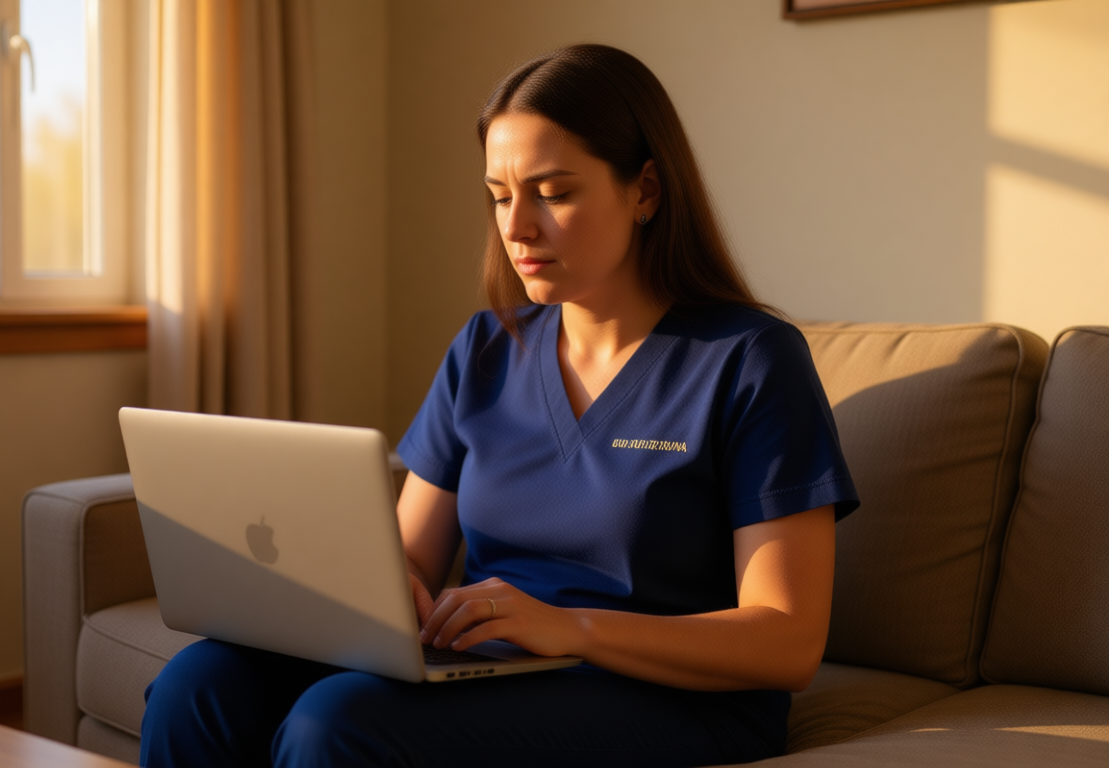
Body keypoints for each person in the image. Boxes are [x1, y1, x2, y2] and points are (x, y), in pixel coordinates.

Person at [140, 43, 859, 768]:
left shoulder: (750, 359)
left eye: (553, 192)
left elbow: (787, 641)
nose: (516, 228)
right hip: (499, 664)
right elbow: (407, 565)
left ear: (645, 190)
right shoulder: (486, 350)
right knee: (199, 685)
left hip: (672, 696)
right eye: (499, 194)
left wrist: (572, 628)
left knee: (339, 723)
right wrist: (381, 599)